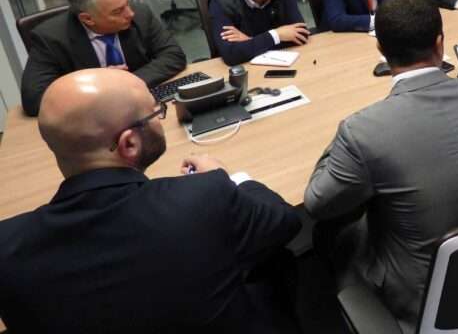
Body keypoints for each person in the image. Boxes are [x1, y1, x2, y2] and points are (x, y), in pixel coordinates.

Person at [0, 69, 301, 333]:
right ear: (129, 143)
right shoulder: (204, 196)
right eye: (155, 114)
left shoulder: (7, 247)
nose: (160, 117)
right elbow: (285, 222)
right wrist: (230, 178)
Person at [304, 0, 458, 333]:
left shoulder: (362, 131)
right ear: (440, 43)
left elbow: (316, 202)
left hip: (420, 299)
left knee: (330, 231)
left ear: (381, 50)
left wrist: (344, 133)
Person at [21, 0, 186, 116]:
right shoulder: (50, 38)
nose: (130, 13)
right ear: (87, 19)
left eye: (127, 3)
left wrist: (124, 82)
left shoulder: (141, 14)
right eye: (117, 11)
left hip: (142, 106)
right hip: (92, 118)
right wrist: (98, 84)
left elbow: (173, 55)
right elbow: (34, 99)